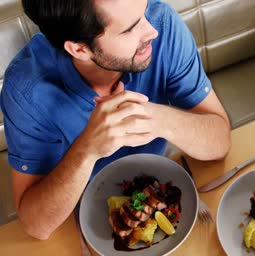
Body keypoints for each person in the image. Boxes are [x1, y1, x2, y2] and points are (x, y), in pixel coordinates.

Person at [0, 0, 231, 240]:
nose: (151, 31)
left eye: (143, 13)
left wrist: (156, 117)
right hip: (76, 219)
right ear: (79, 49)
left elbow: (220, 141)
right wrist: (87, 149)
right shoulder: (26, 89)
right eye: (130, 29)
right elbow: (36, 225)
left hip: (162, 193)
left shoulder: (162, 24)